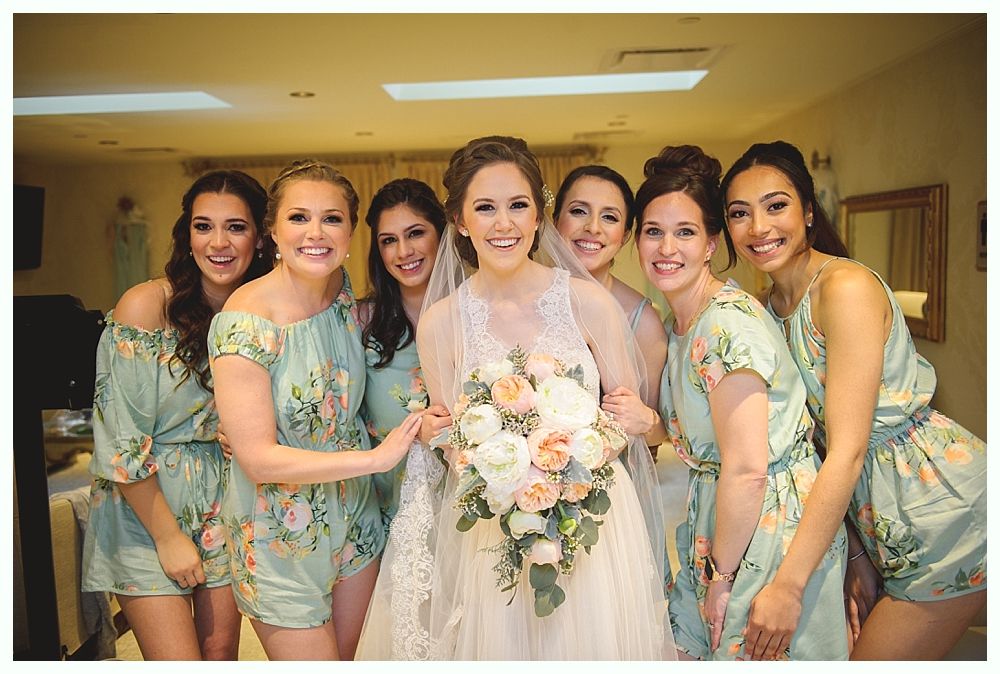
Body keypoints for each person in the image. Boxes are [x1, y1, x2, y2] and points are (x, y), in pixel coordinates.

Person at [361, 135, 673, 660]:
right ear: (460, 220)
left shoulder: (587, 303)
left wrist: (561, 469)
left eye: (518, 206)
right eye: (485, 208)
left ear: (538, 215)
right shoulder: (442, 322)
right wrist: (501, 471)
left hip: (589, 518)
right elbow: (451, 439)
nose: (503, 224)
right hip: (491, 525)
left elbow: (625, 422)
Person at [720, 140, 987, 660]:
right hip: (876, 518)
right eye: (739, 213)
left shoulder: (843, 287)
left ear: (809, 211)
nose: (759, 227)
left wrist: (789, 587)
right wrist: (859, 554)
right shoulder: (767, 308)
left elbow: (847, 450)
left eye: (776, 205)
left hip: (943, 510)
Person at [635, 145, 849, 660]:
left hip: (764, 527)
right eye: (653, 231)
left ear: (711, 243)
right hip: (717, 520)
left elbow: (749, 469)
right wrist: (649, 422)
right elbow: (697, 430)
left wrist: (724, 577)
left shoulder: (725, 325)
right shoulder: (678, 326)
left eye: (685, 232)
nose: (667, 247)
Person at [208, 160, 422, 660]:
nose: (316, 233)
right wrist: (375, 459)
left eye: (332, 219)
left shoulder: (342, 292)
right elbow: (257, 458)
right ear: (272, 231)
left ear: (350, 231)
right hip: (279, 530)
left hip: (357, 519)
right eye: (299, 218)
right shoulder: (245, 319)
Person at [82, 170, 273, 660]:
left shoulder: (264, 310)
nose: (218, 242)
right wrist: (168, 537)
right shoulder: (146, 306)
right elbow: (119, 439)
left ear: (260, 235)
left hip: (226, 500)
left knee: (221, 655)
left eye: (236, 227)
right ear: (186, 235)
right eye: (203, 226)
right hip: (144, 507)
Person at [356, 178, 453, 528]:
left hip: (460, 502)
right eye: (388, 241)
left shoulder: (475, 314)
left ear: (441, 234)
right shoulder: (360, 321)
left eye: (415, 233)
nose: (403, 252)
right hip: (383, 503)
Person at [553, 165, 668, 451]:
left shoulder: (642, 321)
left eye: (609, 217)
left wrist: (648, 422)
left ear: (626, 234)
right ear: (554, 221)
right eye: (579, 211)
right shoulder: (523, 299)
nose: (593, 227)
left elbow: (657, 434)